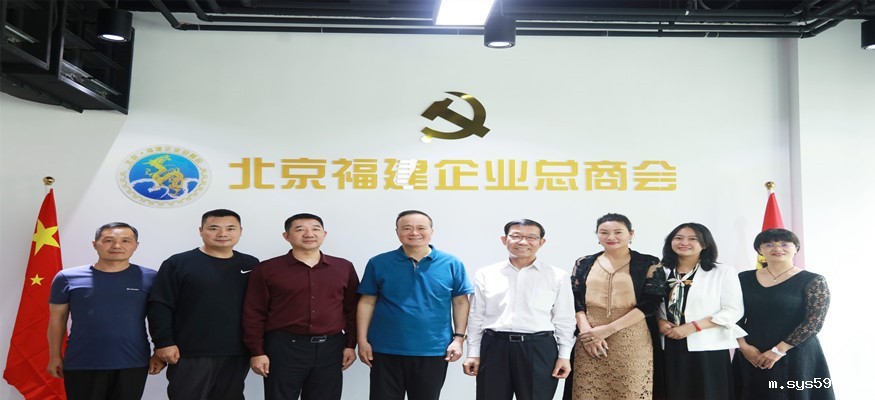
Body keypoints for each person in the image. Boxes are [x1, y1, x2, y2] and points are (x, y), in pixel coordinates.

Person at [356, 210, 473, 400]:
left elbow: (460, 302)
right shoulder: (379, 262)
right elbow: (367, 302)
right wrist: (362, 341)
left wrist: (458, 339)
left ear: (431, 231)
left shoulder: (451, 263)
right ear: (397, 231)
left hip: (433, 349)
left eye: (421, 228)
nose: (414, 233)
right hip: (385, 348)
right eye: (407, 228)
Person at [242, 213, 360, 400]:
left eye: (315, 229)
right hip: (284, 348)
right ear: (286, 236)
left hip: (331, 349)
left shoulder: (343, 267)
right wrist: (257, 351)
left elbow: (352, 309)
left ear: (324, 234)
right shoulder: (267, 269)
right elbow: (254, 313)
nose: (309, 234)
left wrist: (351, 344)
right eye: (300, 229)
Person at [148, 209, 259, 400]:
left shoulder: (250, 264)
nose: (222, 234)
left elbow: (258, 308)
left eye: (230, 228)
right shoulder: (178, 263)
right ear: (201, 231)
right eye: (214, 228)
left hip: (236, 352)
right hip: (189, 352)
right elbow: (160, 305)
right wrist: (163, 342)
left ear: (240, 231)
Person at [47, 222, 164, 400]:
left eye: (125, 241)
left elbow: (160, 318)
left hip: (132, 362)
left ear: (136, 245)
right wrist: (55, 356)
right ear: (95, 244)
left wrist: (159, 351)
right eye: (108, 240)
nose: (117, 246)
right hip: (82, 362)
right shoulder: (66, 278)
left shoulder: (151, 278)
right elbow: (58, 318)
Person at [463, 219, 575, 400]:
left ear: (541, 242)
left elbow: (565, 319)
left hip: (538, 348)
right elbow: (476, 315)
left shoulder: (557, 276)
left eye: (531, 237)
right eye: (516, 236)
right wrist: (473, 353)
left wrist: (564, 356)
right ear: (504, 239)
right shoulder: (486, 274)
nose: (523, 242)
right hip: (495, 346)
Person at [570, 213, 664, 399]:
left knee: (630, 390)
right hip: (589, 334)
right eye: (604, 232)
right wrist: (587, 332)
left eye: (618, 232)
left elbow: (651, 303)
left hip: (631, 334)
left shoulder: (649, 263)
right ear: (597, 235)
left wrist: (608, 329)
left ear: (631, 234)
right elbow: (575, 300)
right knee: (587, 390)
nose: (611, 237)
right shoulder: (584, 262)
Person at [733, 228, 834, 399]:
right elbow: (733, 315)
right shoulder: (743, 278)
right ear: (760, 250)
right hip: (752, 353)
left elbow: (814, 322)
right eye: (769, 244)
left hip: (796, 354)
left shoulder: (813, 280)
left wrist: (778, 351)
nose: (777, 248)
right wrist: (743, 347)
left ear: (796, 248)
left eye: (784, 244)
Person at [656, 223, 746, 400]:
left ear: (705, 244)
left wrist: (693, 326)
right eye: (678, 238)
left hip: (706, 346)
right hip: (669, 343)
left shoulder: (722, 272)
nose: (684, 243)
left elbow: (733, 310)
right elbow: (653, 304)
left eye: (692, 239)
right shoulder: (661, 271)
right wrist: (659, 321)